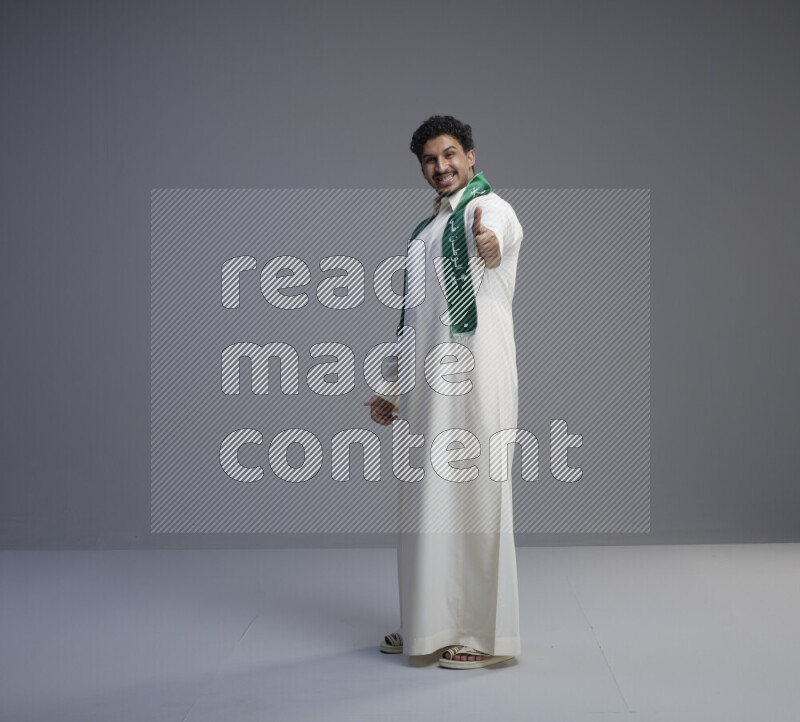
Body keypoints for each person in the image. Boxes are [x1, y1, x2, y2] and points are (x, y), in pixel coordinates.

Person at [364, 115, 523, 669]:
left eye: (450, 154)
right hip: (430, 388)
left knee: (477, 498)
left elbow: (498, 242)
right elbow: (415, 320)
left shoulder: (491, 208)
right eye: (430, 160)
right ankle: (425, 626)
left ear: (472, 155)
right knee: (425, 504)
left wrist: (489, 244)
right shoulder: (424, 233)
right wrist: (393, 386)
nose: (441, 167)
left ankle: (484, 637)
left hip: (478, 379)